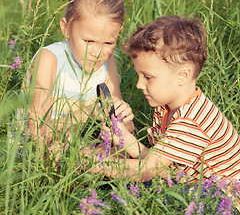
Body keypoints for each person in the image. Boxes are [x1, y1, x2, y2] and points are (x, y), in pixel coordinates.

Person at [90, 15, 240, 186]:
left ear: (183, 75)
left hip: (222, 199)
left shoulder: (191, 121)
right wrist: (125, 139)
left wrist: (92, 164)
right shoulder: (166, 107)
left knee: (143, 186)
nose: (139, 84)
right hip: (189, 185)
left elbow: (145, 171)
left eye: (147, 77)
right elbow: (160, 165)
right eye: (139, 75)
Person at [25, 0, 134, 156]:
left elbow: (122, 130)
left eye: (108, 43)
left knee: (123, 151)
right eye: (89, 41)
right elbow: (36, 133)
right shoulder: (49, 59)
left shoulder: (108, 62)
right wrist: (86, 113)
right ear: (66, 28)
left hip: (81, 147)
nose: (98, 53)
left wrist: (124, 119)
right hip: (39, 150)